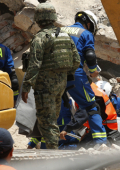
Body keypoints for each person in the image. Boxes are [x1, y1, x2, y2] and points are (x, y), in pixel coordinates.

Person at [21, 2, 80, 149]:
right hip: (60, 84)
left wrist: (26, 86)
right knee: (52, 119)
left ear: (39, 19)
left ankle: (53, 155)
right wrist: (65, 75)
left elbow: (34, 65)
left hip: (44, 86)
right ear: (53, 17)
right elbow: (76, 61)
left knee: (46, 122)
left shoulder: (40, 38)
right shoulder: (65, 36)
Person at [61, 11, 107, 144]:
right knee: (91, 106)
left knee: (59, 107)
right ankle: (100, 142)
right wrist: (93, 71)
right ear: (88, 23)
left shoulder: (58, 30)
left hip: (53, 74)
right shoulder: (85, 33)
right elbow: (90, 56)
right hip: (73, 74)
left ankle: (52, 143)